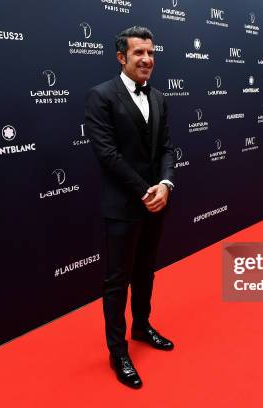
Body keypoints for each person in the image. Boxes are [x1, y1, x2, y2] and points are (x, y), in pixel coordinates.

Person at [85, 26, 175, 389]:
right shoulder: (100, 96)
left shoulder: (160, 97)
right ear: (121, 57)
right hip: (124, 205)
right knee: (117, 280)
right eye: (139, 53)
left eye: (151, 52)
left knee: (146, 271)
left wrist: (166, 184)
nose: (147, 59)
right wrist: (146, 191)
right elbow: (107, 154)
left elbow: (167, 146)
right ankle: (117, 351)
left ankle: (141, 326)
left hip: (155, 203)